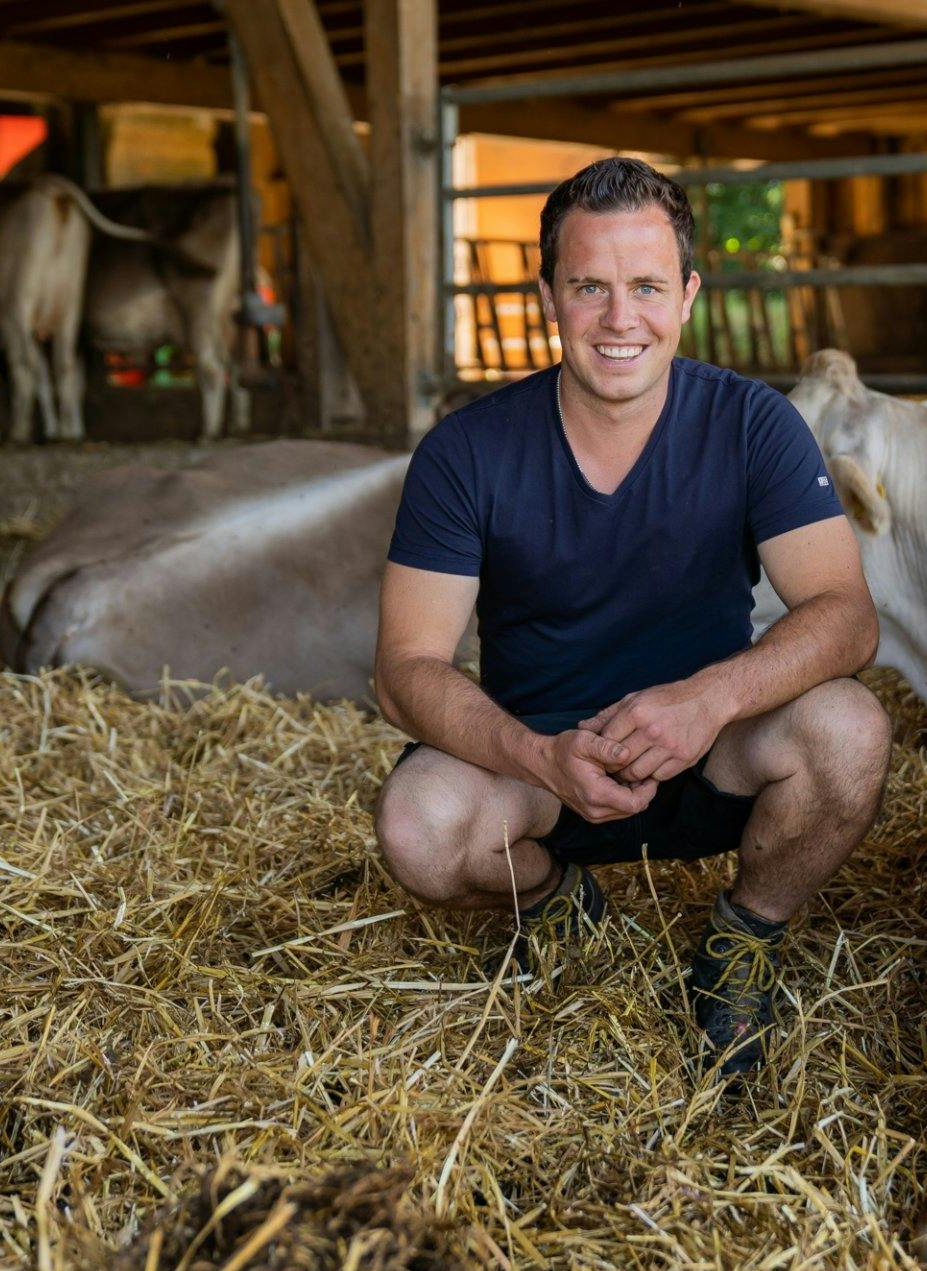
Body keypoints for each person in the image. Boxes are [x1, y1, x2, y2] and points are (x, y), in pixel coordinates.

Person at [372, 157, 890, 1074]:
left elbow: (846, 617)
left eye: (647, 286)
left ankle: (742, 940)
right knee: (419, 823)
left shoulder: (754, 425)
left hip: (711, 758)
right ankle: (556, 900)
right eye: (589, 287)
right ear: (548, 295)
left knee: (849, 731)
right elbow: (404, 669)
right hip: (538, 770)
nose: (621, 319)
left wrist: (708, 701)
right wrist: (537, 756)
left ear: (687, 294)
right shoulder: (466, 452)